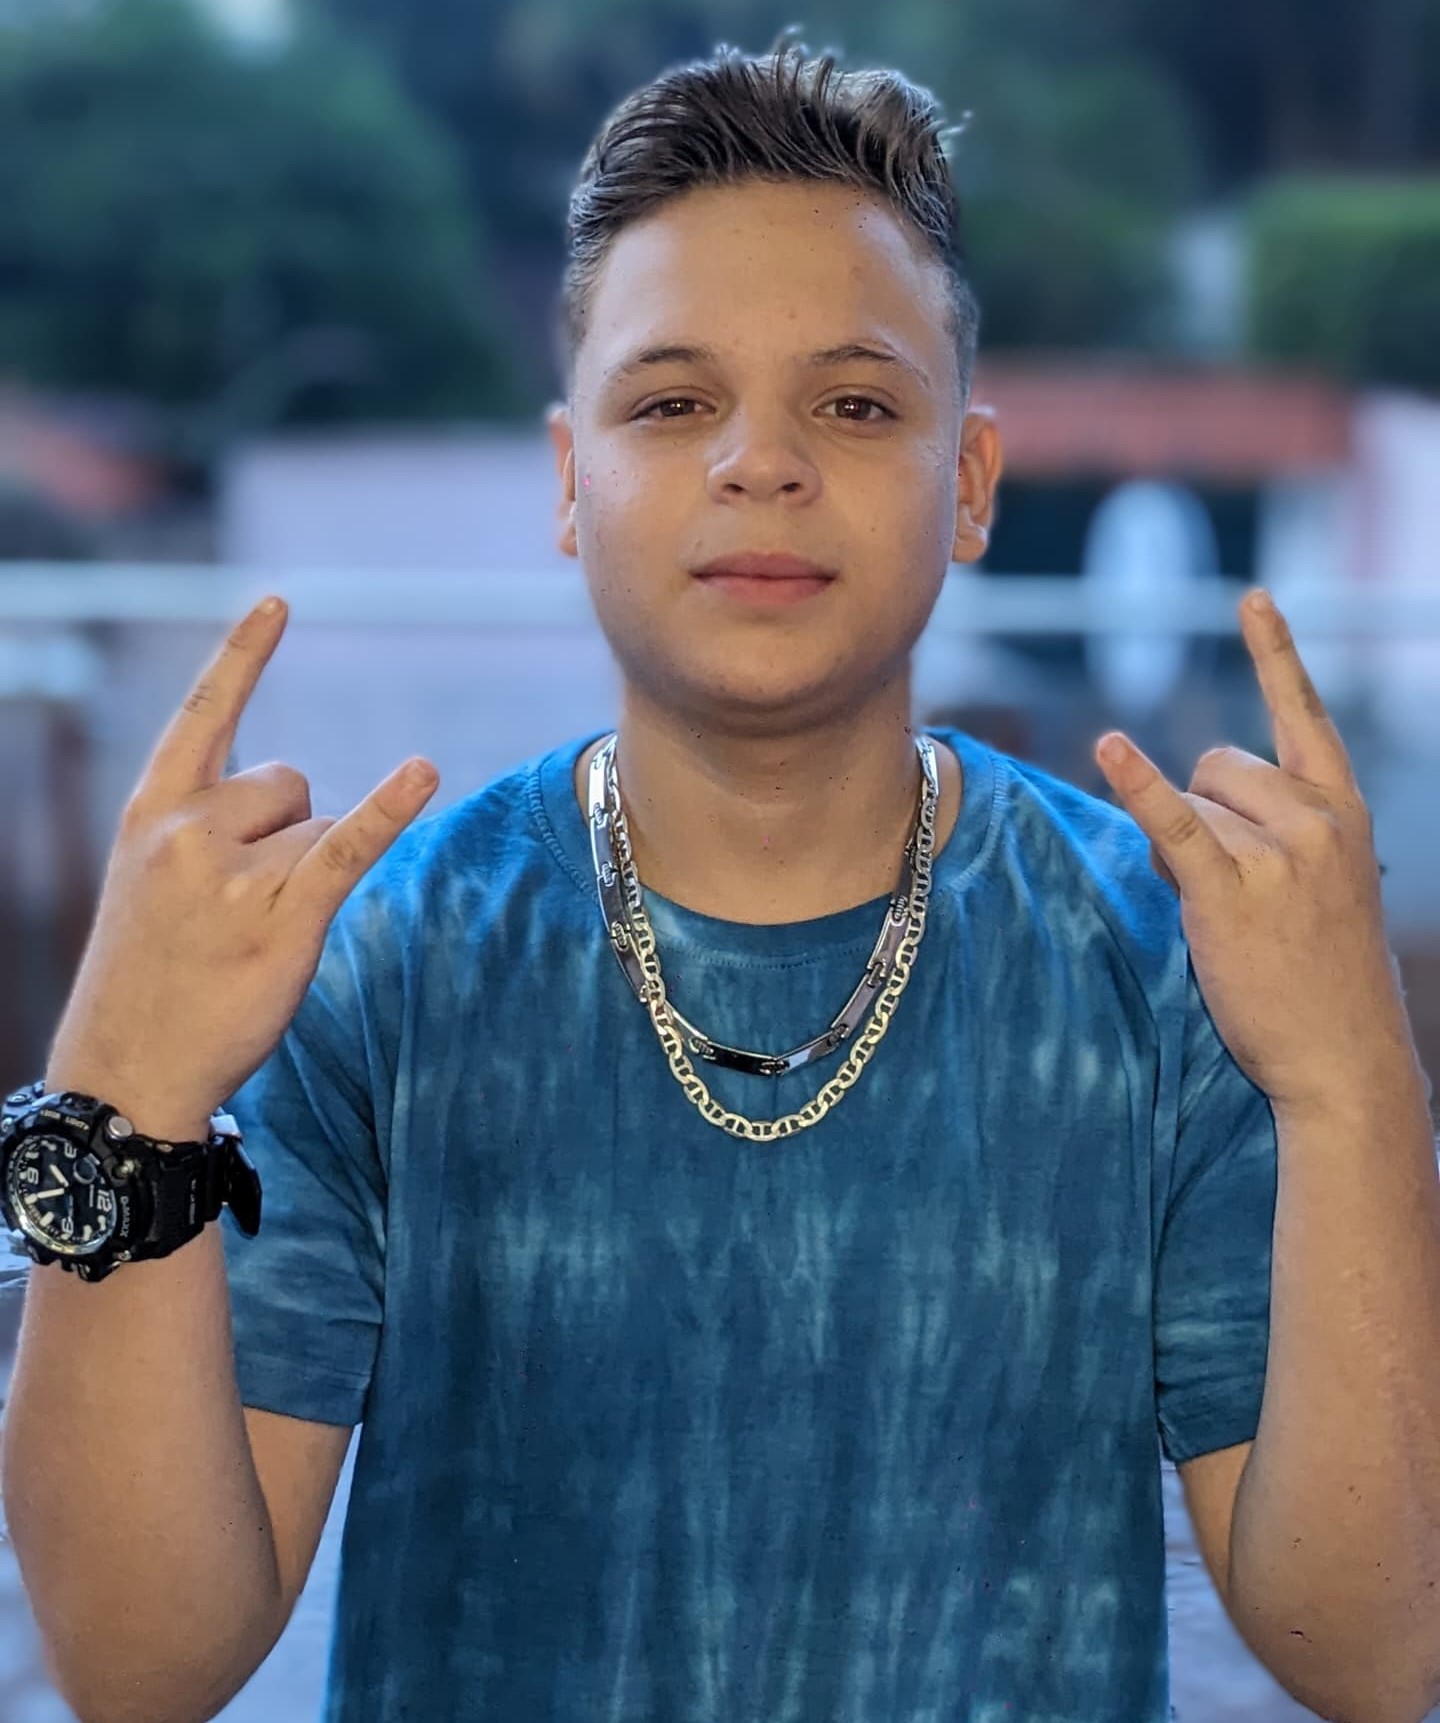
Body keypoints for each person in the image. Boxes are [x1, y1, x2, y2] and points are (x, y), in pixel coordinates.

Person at [9, 36, 1440, 1723]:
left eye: (857, 403)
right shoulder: (382, 954)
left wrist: (1354, 1079)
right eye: (674, 401)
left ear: (971, 483)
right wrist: (118, 1093)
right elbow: (137, 1664)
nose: (761, 462)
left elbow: (1374, 1653)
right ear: (571, 480)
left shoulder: (1171, 951)